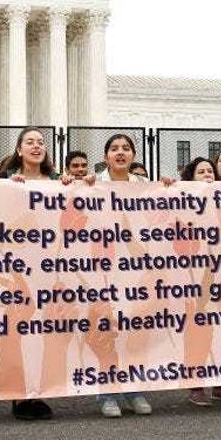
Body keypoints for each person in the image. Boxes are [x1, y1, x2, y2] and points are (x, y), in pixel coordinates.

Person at [0, 127, 58, 421]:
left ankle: (37, 391)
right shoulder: (6, 180)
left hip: (48, 264)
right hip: (15, 265)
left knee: (42, 330)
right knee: (18, 327)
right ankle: (19, 394)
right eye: (29, 142)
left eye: (41, 142)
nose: (36, 146)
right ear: (19, 149)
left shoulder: (56, 182)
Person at [94, 134, 153, 418]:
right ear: (105, 156)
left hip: (135, 266)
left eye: (126, 149)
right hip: (102, 266)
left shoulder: (145, 186)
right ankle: (108, 393)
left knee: (135, 330)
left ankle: (134, 389)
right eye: (115, 149)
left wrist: (169, 186)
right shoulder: (93, 185)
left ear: (133, 155)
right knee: (108, 329)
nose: (120, 153)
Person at [175, 157, 221, 407]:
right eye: (201, 171)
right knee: (198, 329)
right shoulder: (183, 201)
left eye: (210, 171)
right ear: (191, 178)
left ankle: (219, 384)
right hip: (195, 276)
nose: (207, 174)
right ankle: (196, 385)